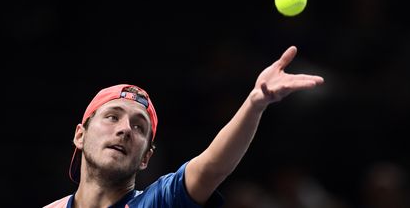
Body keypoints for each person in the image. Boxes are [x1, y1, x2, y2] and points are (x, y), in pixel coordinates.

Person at [44, 46, 324, 208]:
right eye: (112, 117)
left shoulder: (160, 202)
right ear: (80, 135)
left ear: (146, 158)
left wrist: (254, 103)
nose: (126, 129)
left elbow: (211, 168)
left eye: (140, 127)